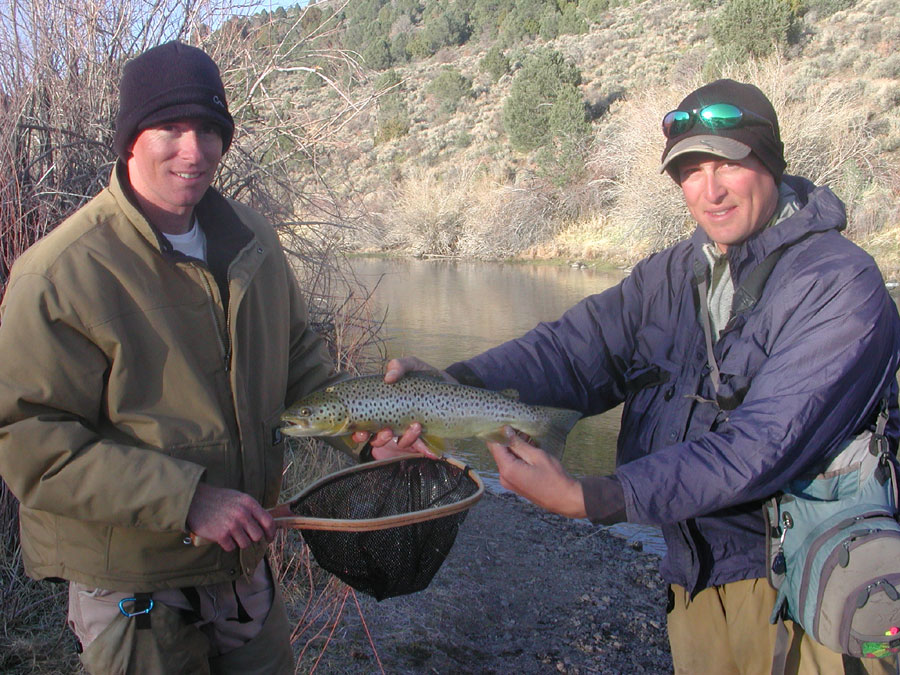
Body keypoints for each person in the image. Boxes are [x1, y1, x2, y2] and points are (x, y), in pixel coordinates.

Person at [361, 80, 900, 673]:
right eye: (691, 172)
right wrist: (443, 389)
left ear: (769, 161)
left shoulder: (842, 285)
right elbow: (570, 352)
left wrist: (592, 496)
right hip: (695, 584)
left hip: (808, 589)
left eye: (728, 163)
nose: (710, 190)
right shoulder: (670, 276)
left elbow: (760, 447)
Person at [0, 41, 409, 674]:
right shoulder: (60, 273)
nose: (194, 151)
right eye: (170, 128)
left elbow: (300, 360)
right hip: (132, 583)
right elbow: (28, 441)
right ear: (131, 139)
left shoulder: (253, 240)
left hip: (243, 571)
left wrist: (367, 438)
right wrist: (188, 500)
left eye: (210, 130)